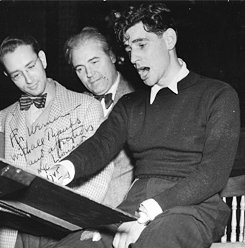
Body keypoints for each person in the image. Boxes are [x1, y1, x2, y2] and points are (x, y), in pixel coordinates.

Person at [40, 3, 241, 248]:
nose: (133, 58)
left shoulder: (218, 95)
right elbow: (101, 144)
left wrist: (152, 211)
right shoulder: (130, 104)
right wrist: (65, 168)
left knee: (157, 239)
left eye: (142, 45)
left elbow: (213, 173)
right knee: (75, 245)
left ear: (169, 39)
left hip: (192, 207)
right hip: (135, 204)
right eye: (128, 48)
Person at [0, 34, 116, 248]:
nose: (28, 80)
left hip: (66, 230)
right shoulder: (5, 118)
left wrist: (70, 217)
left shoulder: (87, 107)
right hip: (16, 232)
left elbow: (101, 173)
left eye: (31, 66)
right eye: (17, 75)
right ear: (8, 76)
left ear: (43, 59)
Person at [64, 26, 136, 207]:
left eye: (94, 62)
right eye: (80, 69)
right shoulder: (74, 106)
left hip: (118, 211)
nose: (89, 74)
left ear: (111, 56)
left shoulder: (139, 102)